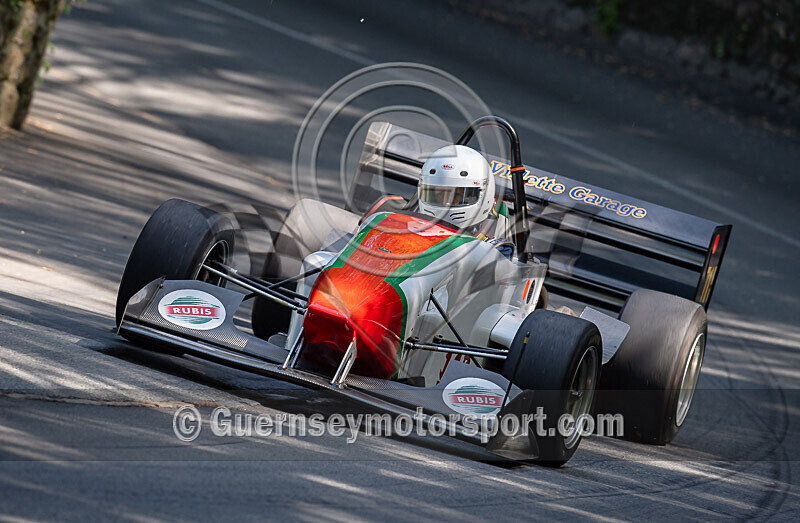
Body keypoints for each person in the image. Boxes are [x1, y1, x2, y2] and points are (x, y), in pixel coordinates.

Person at [417, 144, 514, 258]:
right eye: (438, 194)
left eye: (456, 196)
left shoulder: (491, 251)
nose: (445, 203)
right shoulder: (405, 229)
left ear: (484, 196)